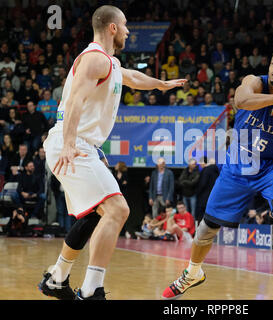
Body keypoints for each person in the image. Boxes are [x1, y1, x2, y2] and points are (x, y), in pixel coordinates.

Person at [38, 5, 187, 301]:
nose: (130, 31)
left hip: (79, 145)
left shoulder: (110, 63)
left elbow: (132, 77)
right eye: (126, 25)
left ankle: (57, 278)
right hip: (73, 143)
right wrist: (69, 143)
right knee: (118, 209)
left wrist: (161, 84)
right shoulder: (95, 58)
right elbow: (76, 102)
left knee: (95, 215)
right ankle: (93, 290)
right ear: (113, 28)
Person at [163, 46, 273, 300]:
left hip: (272, 166)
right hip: (238, 165)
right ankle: (192, 273)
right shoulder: (253, 82)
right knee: (206, 230)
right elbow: (241, 101)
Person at [195, 157, 219, 223]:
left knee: (201, 217)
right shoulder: (217, 171)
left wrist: (197, 192)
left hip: (203, 198)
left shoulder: (206, 170)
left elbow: (202, 184)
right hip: (213, 197)